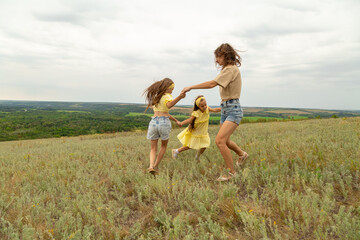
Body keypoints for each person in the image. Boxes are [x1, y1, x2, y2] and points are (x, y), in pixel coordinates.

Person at [182, 43, 248, 181]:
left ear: (226, 55)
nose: (216, 60)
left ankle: (232, 173)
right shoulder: (227, 70)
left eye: (218, 57)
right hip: (226, 108)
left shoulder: (230, 69)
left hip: (233, 109)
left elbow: (212, 84)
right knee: (226, 141)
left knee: (219, 141)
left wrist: (191, 87)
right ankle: (242, 155)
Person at [143, 78, 185, 174]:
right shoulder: (167, 96)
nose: (172, 91)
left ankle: (150, 166)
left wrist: (176, 120)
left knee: (153, 148)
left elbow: (164, 112)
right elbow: (169, 106)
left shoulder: (157, 97)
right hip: (164, 123)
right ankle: (156, 166)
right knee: (163, 146)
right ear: (168, 88)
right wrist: (180, 97)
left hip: (153, 122)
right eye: (172, 89)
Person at [172, 95, 220, 160]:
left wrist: (222, 109)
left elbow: (215, 109)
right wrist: (181, 123)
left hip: (203, 132)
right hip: (196, 132)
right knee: (190, 146)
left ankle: (197, 157)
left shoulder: (207, 109)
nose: (204, 107)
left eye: (205, 104)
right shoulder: (196, 113)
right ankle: (176, 151)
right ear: (198, 106)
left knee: (205, 145)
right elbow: (189, 120)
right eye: (202, 106)